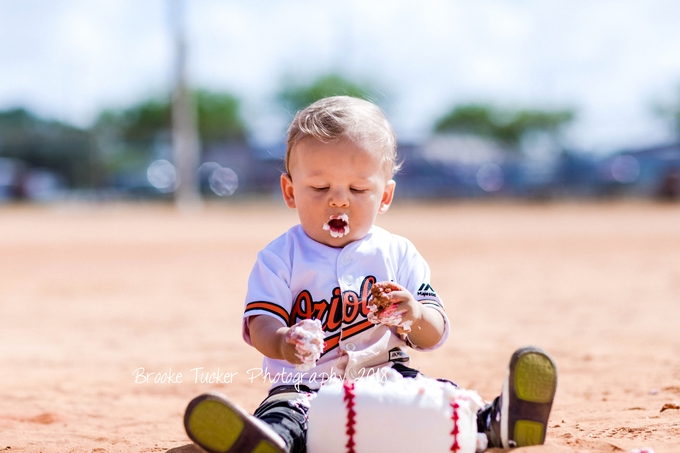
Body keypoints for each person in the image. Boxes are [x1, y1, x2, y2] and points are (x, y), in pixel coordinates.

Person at [183, 96, 557, 453]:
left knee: (438, 398)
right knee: (287, 414)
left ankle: (497, 422)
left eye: (359, 188)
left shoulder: (398, 253)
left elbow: (435, 331)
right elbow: (261, 323)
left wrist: (413, 313)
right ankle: (270, 442)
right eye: (319, 187)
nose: (339, 199)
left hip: (387, 379)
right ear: (289, 190)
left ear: (385, 196)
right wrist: (284, 342)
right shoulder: (279, 257)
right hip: (305, 384)